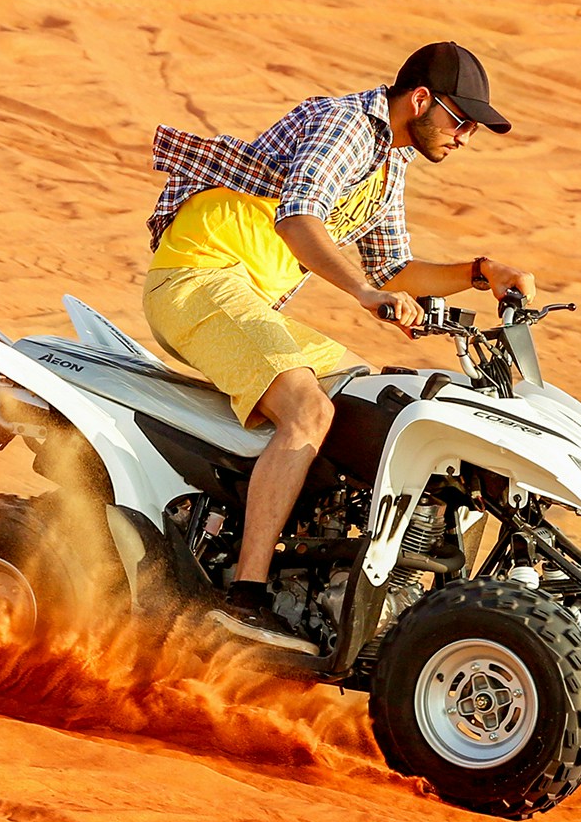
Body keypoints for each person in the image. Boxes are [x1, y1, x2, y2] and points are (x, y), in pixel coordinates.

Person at [142, 41, 536, 651]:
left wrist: (481, 272)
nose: (465, 137)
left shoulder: (389, 163)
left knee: (372, 403)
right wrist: (361, 294)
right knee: (309, 409)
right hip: (199, 279)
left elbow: (394, 269)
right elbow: (297, 219)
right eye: (460, 121)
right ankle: (244, 597)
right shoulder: (348, 128)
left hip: (240, 300)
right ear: (421, 100)